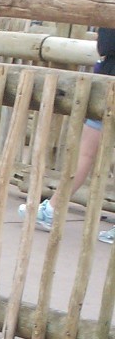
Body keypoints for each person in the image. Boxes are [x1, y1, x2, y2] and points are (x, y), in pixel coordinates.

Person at [19, 26, 115, 244]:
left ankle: (52, 208)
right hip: (107, 78)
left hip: (109, 77)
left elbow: (107, 44)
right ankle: (52, 208)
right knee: (85, 153)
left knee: (85, 153)